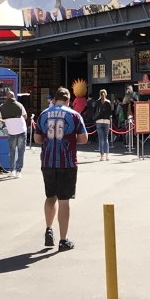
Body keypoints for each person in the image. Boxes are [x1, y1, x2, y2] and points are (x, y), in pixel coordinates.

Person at [33, 86, 88, 252]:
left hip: (48, 161)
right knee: (64, 200)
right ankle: (63, 240)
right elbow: (84, 139)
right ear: (68, 100)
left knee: (50, 196)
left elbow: (37, 139)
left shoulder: (43, 114)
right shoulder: (74, 115)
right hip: (67, 162)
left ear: (54, 99)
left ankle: (48, 228)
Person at [0, 89, 28, 178]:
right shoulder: (19, 105)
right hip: (21, 130)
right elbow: (25, 116)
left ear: (6, 97)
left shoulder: (2, 107)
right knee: (21, 151)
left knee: (12, 151)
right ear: (14, 96)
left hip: (11, 131)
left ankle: (12, 170)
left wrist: (4, 121)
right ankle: (18, 171)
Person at [94, 90, 113, 160]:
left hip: (99, 120)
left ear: (99, 94)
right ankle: (107, 155)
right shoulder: (108, 102)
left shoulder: (97, 102)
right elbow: (111, 112)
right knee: (106, 138)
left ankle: (102, 156)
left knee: (101, 139)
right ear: (106, 94)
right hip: (106, 121)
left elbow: (94, 111)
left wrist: (95, 118)